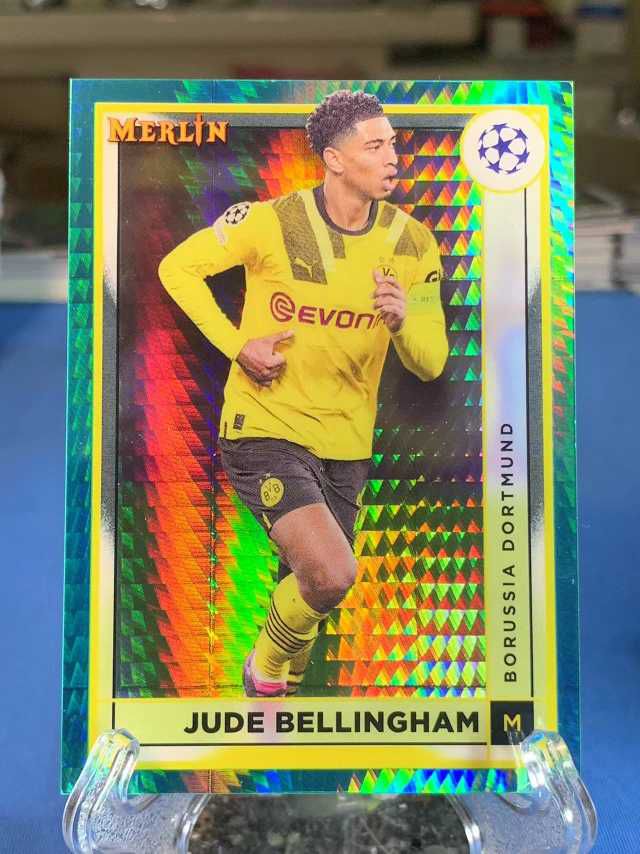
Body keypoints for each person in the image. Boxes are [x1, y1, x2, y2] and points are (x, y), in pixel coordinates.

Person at [158, 90, 448, 698]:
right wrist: (238, 345)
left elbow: (431, 363)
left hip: (347, 443)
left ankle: (273, 705)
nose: (393, 156)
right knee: (333, 571)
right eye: (376, 146)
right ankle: (262, 672)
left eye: (393, 143)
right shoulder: (268, 221)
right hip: (265, 425)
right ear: (335, 159)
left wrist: (402, 322)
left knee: (315, 587)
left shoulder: (414, 243)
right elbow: (176, 268)